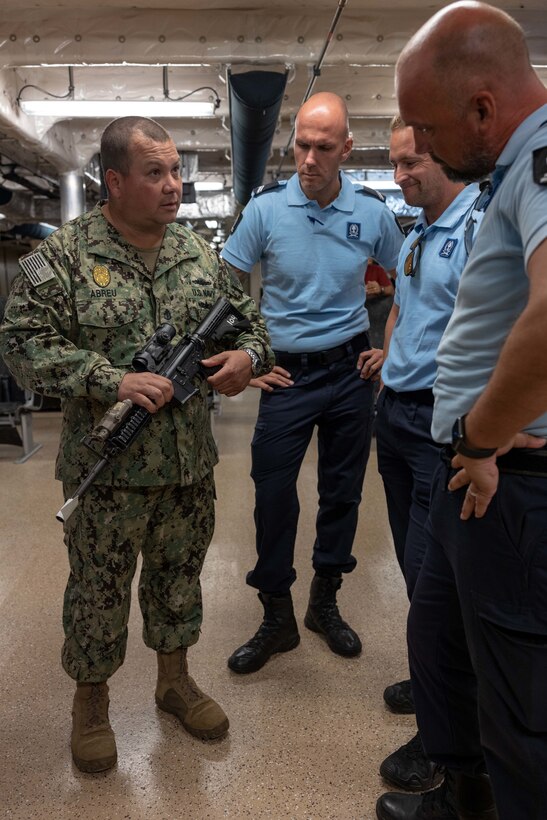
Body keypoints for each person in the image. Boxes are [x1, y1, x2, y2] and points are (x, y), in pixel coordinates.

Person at [0, 116, 273, 774]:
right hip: (108, 471)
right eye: (156, 173)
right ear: (115, 181)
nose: (174, 185)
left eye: (177, 171)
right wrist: (109, 377)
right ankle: (90, 704)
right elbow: (20, 344)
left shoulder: (197, 255)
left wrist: (246, 357)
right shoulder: (64, 256)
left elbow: (251, 324)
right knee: (97, 592)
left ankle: (173, 682)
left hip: (186, 466)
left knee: (179, 584)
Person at [376, 3, 547, 819]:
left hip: (503, 474)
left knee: (521, 707)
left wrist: (478, 437)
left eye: (426, 125)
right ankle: (460, 793)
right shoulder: (509, 173)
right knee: (441, 636)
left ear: (482, 107)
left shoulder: (542, 157)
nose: (419, 146)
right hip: (468, 467)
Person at [220, 92, 403, 674]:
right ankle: (276, 614)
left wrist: (388, 348)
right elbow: (224, 287)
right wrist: (245, 356)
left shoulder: (373, 213)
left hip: (350, 371)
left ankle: (324, 603)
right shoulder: (266, 209)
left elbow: (413, 277)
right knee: (274, 496)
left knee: (342, 492)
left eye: (324, 147)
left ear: (346, 148)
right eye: (301, 144)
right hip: (286, 375)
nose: (309, 158)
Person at [376, 115, 482, 800]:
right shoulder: (417, 233)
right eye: (394, 162)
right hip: (397, 417)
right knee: (420, 579)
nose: (400, 175)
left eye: (411, 162)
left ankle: (448, 740)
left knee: (436, 597)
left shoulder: (479, 228)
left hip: (445, 431)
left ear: (444, 156)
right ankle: (435, 688)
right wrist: (389, 356)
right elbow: (402, 309)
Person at [365, 258, 395, 351]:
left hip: (379, 316)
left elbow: (391, 290)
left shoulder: (376, 269)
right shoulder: (351, 274)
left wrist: (380, 289)